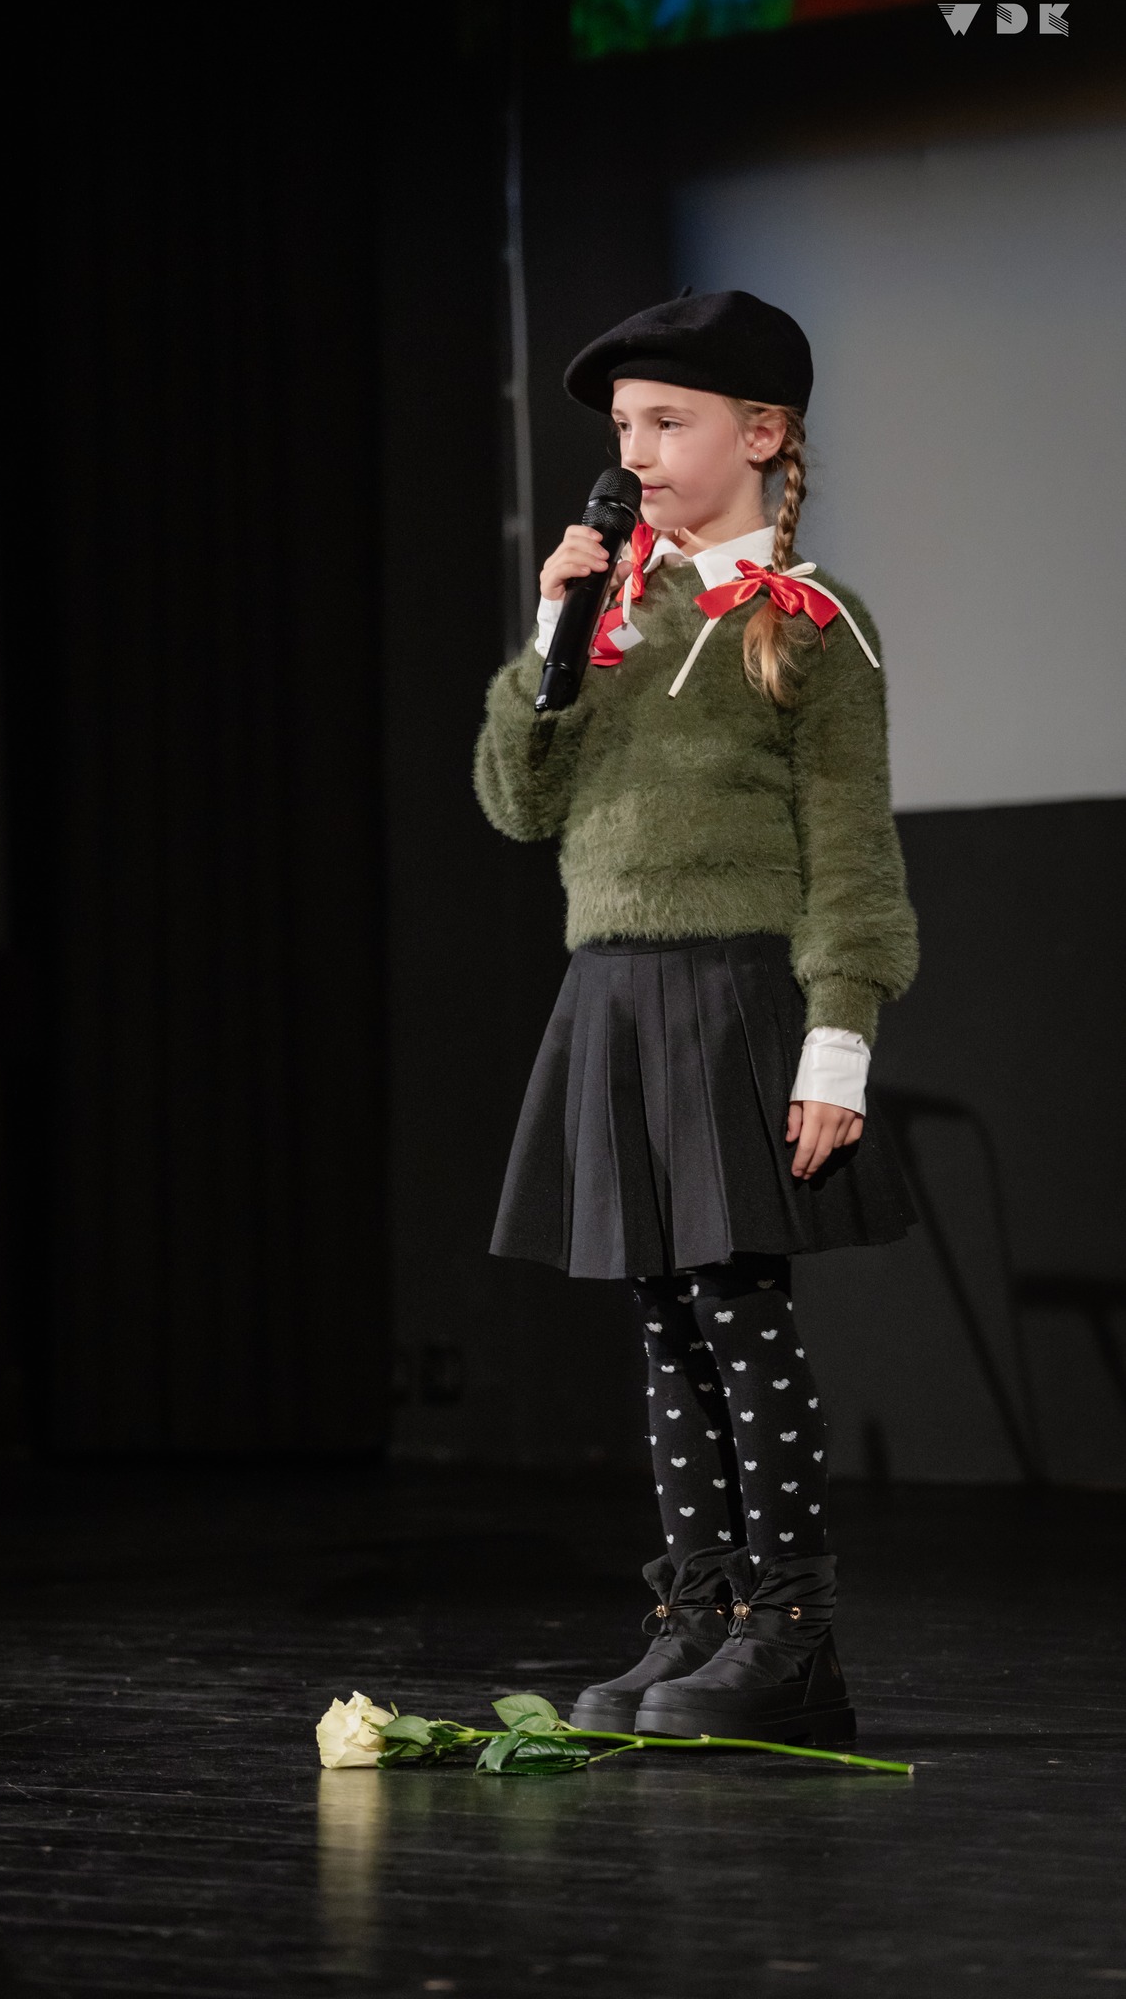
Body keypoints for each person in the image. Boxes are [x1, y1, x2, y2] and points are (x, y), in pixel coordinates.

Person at [472, 290, 919, 1748]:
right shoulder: (609, 615)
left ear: (763, 433)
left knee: (736, 1308)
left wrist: (837, 1037)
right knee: (662, 1318)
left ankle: (791, 1633)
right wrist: (554, 627)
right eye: (624, 427)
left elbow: (852, 855)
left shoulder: (809, 623)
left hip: (732, 990)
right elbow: (516, 803)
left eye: (668, 422)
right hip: (612, 987)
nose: (638, 454)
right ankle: (696, 1613)